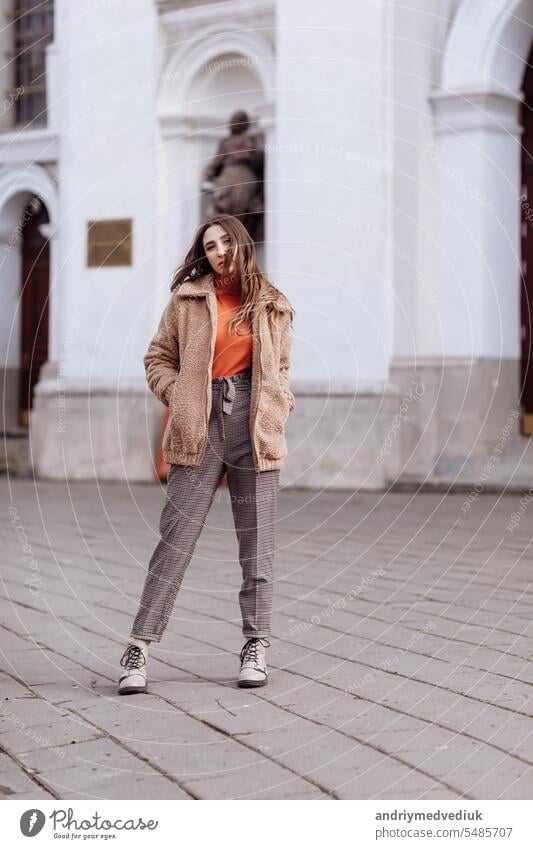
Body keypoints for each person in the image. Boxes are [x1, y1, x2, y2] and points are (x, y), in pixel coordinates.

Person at [118, 214, 296, 695]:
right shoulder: (188, 300)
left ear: (242, 244)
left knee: (257, 545)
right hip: (200, 422)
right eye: (210, 245)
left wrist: (279, 403)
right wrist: (180, 394)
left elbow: (280, 367)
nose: (218, 251)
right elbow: (158, 357)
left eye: (225, 242)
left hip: (254, 426)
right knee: (174, 541)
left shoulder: (274, 305)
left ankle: (256, 643)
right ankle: (139, 646)